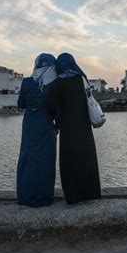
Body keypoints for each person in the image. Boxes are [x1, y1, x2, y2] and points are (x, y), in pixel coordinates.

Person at [46, 53, 101, 205]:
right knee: (86, 158)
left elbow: (50, 105)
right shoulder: (81, 79)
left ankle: (73, 196)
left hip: (67, 129)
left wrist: (58, 118)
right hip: (83, 126)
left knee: (69, 161)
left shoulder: (57, 83)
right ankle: (91, 193)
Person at [16, 53, 58, 207]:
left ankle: (25, 196)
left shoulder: (27, 82)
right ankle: (43, 197)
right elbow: (56, 108)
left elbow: (21, 104)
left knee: (28, 157)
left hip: (29, 124)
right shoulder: (54, 83)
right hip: (46, 124)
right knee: (44, 160)